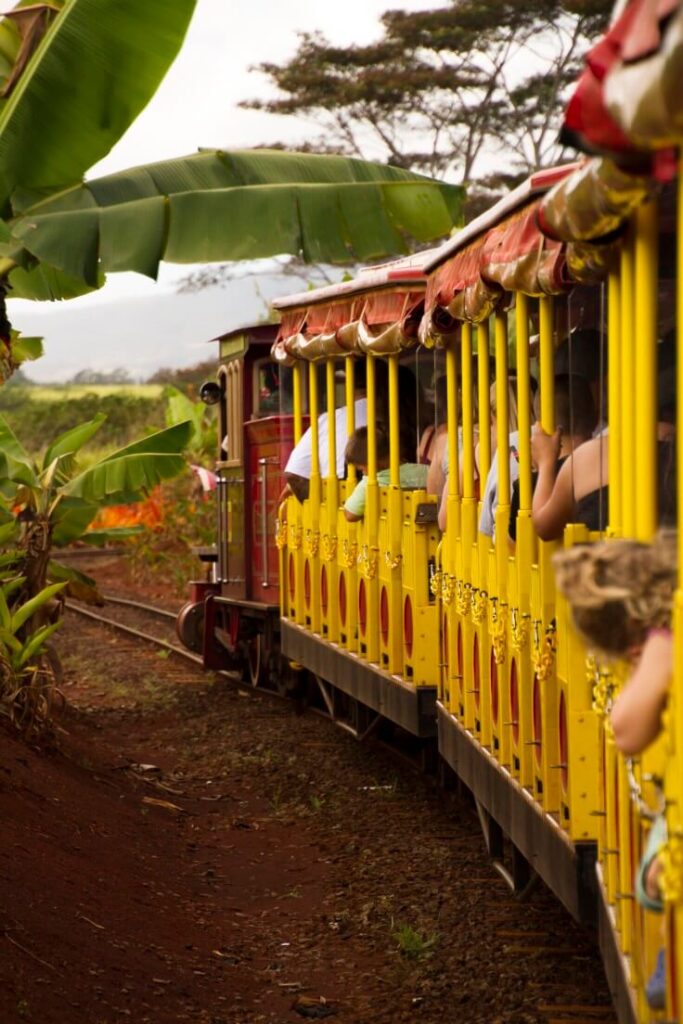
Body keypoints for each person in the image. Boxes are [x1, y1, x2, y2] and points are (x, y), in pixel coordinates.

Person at [553, 532, 676, 1010]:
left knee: (653, 879)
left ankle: (669, 954)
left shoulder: (665, 642)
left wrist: (651, 661)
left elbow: (626, 730)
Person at [509, 374, 596, 542]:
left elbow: (513, 544)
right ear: (595, 417)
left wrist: (544, 466)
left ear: (540, 424)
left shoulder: (527, 487)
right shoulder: (607, 466)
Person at [281, 360, 368, 504]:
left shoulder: (329, 419)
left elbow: (293, 473)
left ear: (349, 385)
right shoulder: (394, 416)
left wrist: (315, 505)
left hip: (335, 497)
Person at [343, 425, 428, 521]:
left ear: (373, 461)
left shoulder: (371, 483)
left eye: (362, 469)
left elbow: (350, 515)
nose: (363, 473)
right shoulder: (425, 471)